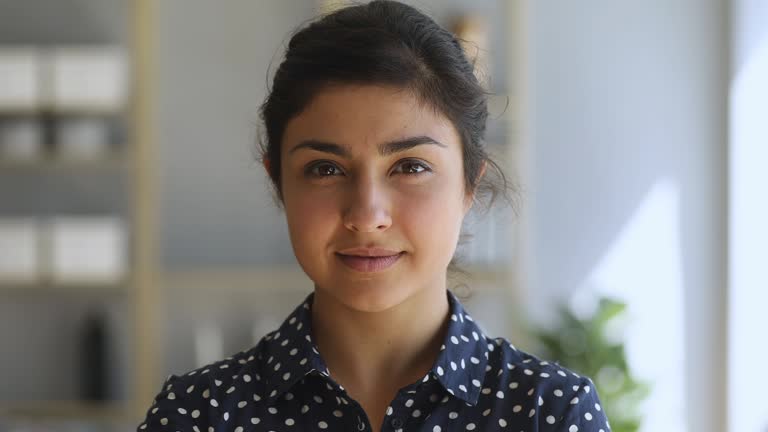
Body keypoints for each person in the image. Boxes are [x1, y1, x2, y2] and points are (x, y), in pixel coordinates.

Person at [137, 1, 611, 431]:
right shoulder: (196, 415)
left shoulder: (551, 413)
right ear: (278, 181)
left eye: (410, 167)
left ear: (470, 184)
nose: (366, 215)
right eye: (325, 169)